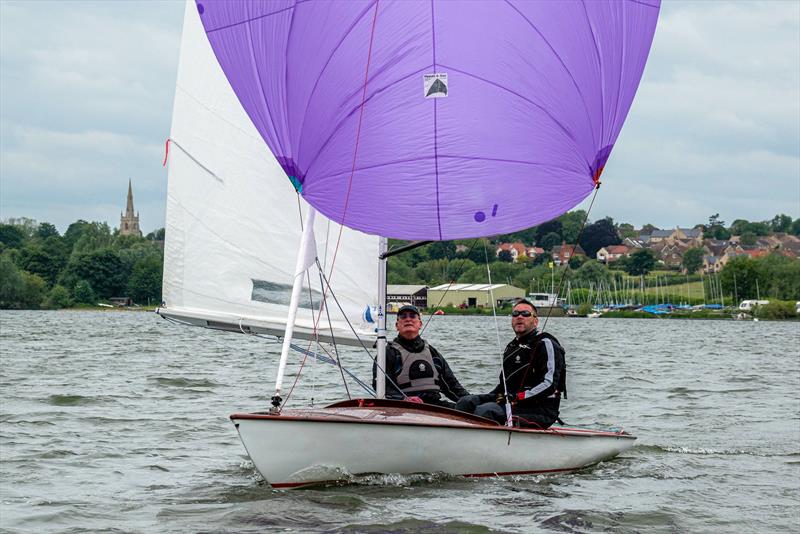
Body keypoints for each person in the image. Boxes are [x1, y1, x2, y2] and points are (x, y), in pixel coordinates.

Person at [456, 299, 566, 428]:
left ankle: (484, 444)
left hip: (540, 410)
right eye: (515, 314)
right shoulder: (511, 347)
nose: (519, 317)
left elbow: (549, 385)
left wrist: (518, 397)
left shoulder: (545, 344)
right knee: (466, 403)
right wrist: (486, 398)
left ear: (535, 321)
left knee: (486, 411)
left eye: (525, 314)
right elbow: (503, 387)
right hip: (513, 402)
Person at [372, 304, 469, 408]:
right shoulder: (388, 353)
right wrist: (403, 399)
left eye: (412, 316)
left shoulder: (432, 352)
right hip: (403, 407)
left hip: (435, 405)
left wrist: (471, 401)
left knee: (478, 409)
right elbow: (381, 386)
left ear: (420, 324)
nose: (408, 319)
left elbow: (451, 386)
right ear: (397, 325)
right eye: (403, 317)